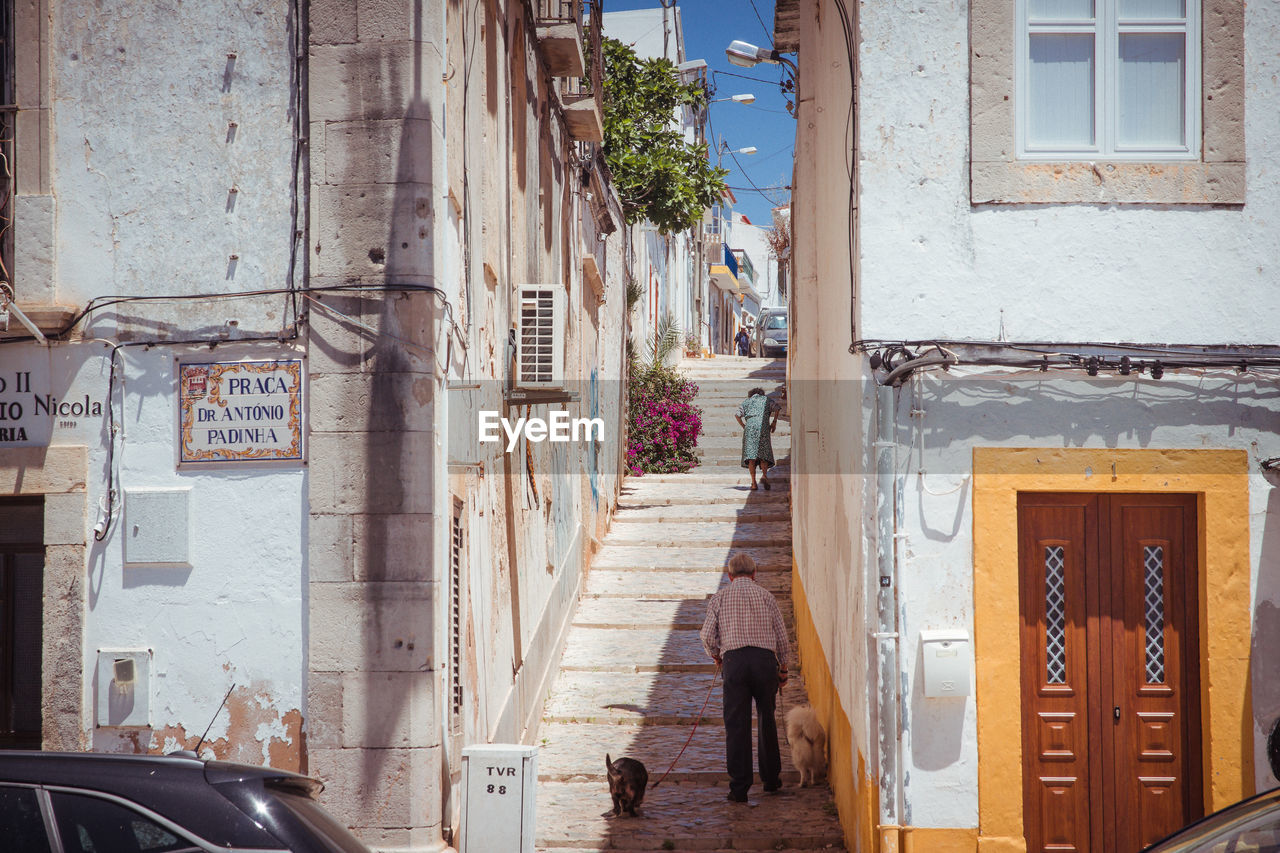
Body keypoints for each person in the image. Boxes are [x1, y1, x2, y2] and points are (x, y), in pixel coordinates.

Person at [699, 552, 790, 802]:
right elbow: (782, 637)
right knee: (766, 720)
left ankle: (739, 788)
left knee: (736, 725)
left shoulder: (720, 598)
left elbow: (706, 635)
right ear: (754, 574)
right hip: (763, 662)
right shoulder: (766, 596)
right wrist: (783, 668)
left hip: (735, 663)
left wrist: (717, 655)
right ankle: (771, 781)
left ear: (729, 576)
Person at [736, 387, 780, 490]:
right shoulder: (766, 400)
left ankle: (754, 483)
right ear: (762, 394)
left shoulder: (746, 402)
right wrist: (774, 422)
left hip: (750, 428)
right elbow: (777, 408)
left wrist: (744, 426)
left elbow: (737, 415)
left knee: (751, 457)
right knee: (763, 454)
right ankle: (765, 476)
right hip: (763, 427)